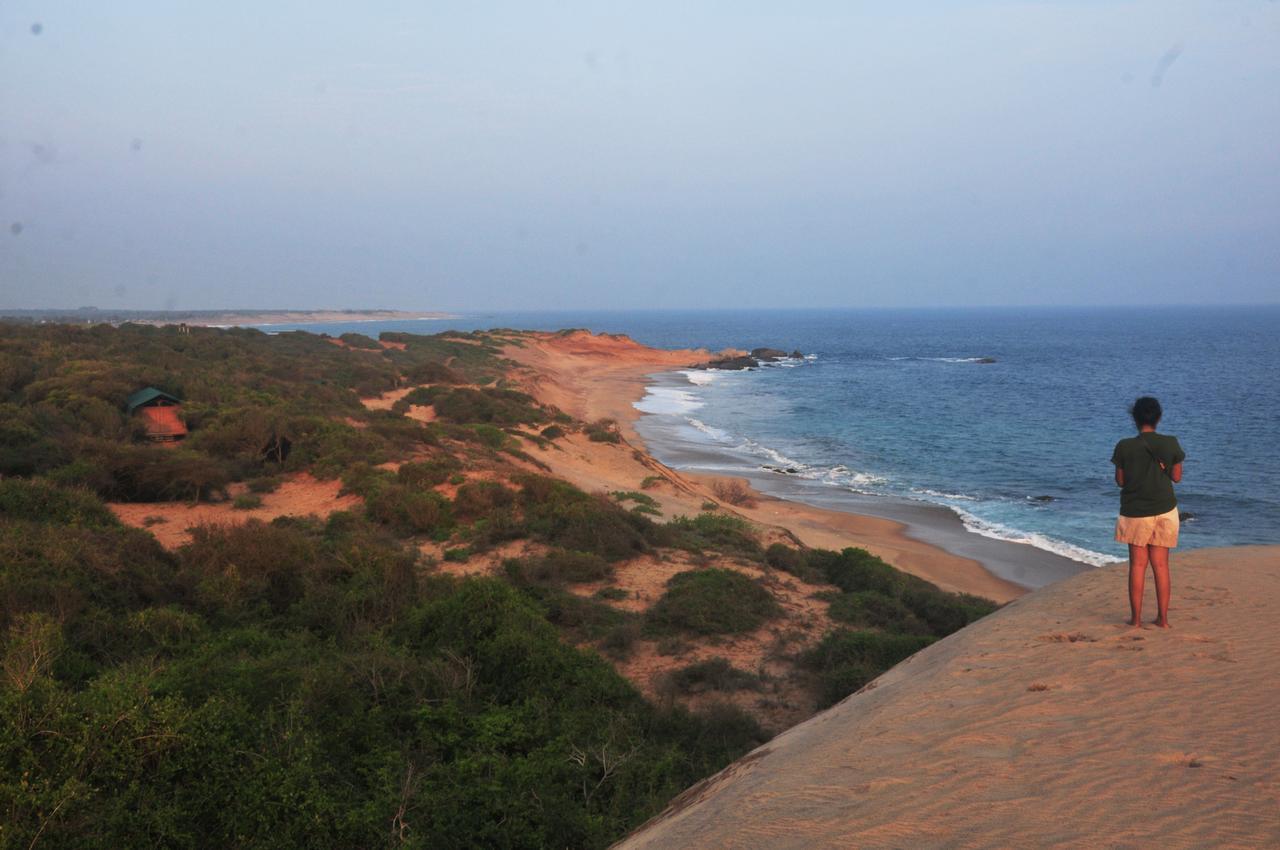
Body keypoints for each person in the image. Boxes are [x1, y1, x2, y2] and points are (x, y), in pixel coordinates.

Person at [1111, 397, 1185, 628]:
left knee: (1137, 566)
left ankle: (1135, 620)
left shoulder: (1124, 446)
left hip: (1136, 511)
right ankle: (1163, 619)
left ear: (1134, 418)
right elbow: (1176, 477)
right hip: (1165, 509)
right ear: (1159, 418)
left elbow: (1120, 481)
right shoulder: (1171, 443)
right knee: (1161, 566)